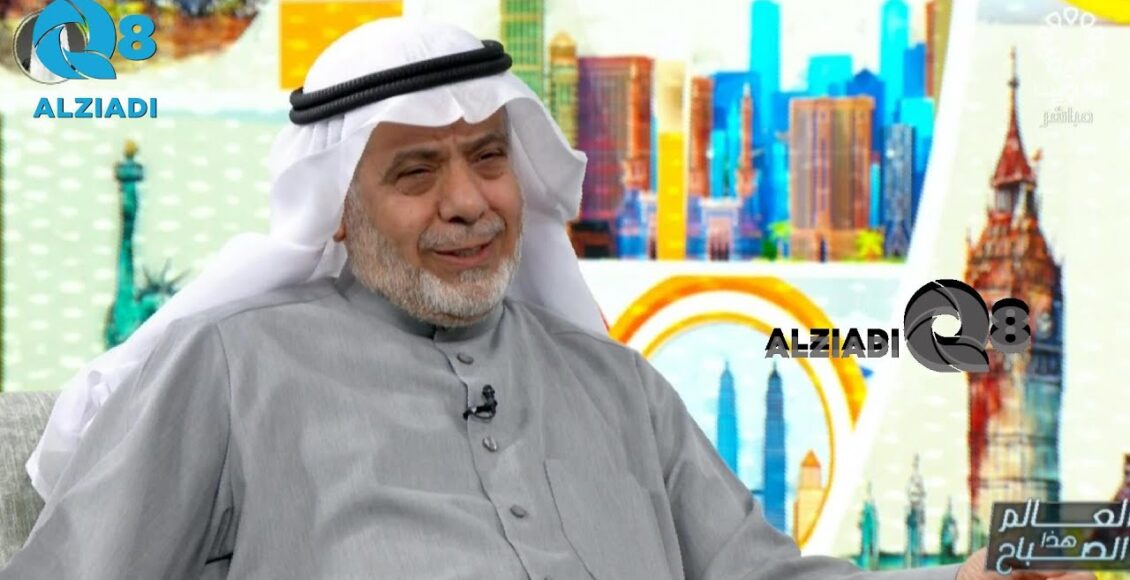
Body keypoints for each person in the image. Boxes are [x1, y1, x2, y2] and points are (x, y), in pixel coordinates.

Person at [1, 17, 1095, 580]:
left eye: (488, 157)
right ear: (335, 208)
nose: (469, 201)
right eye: (415, 171)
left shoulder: (616, 386)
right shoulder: (234, 366)